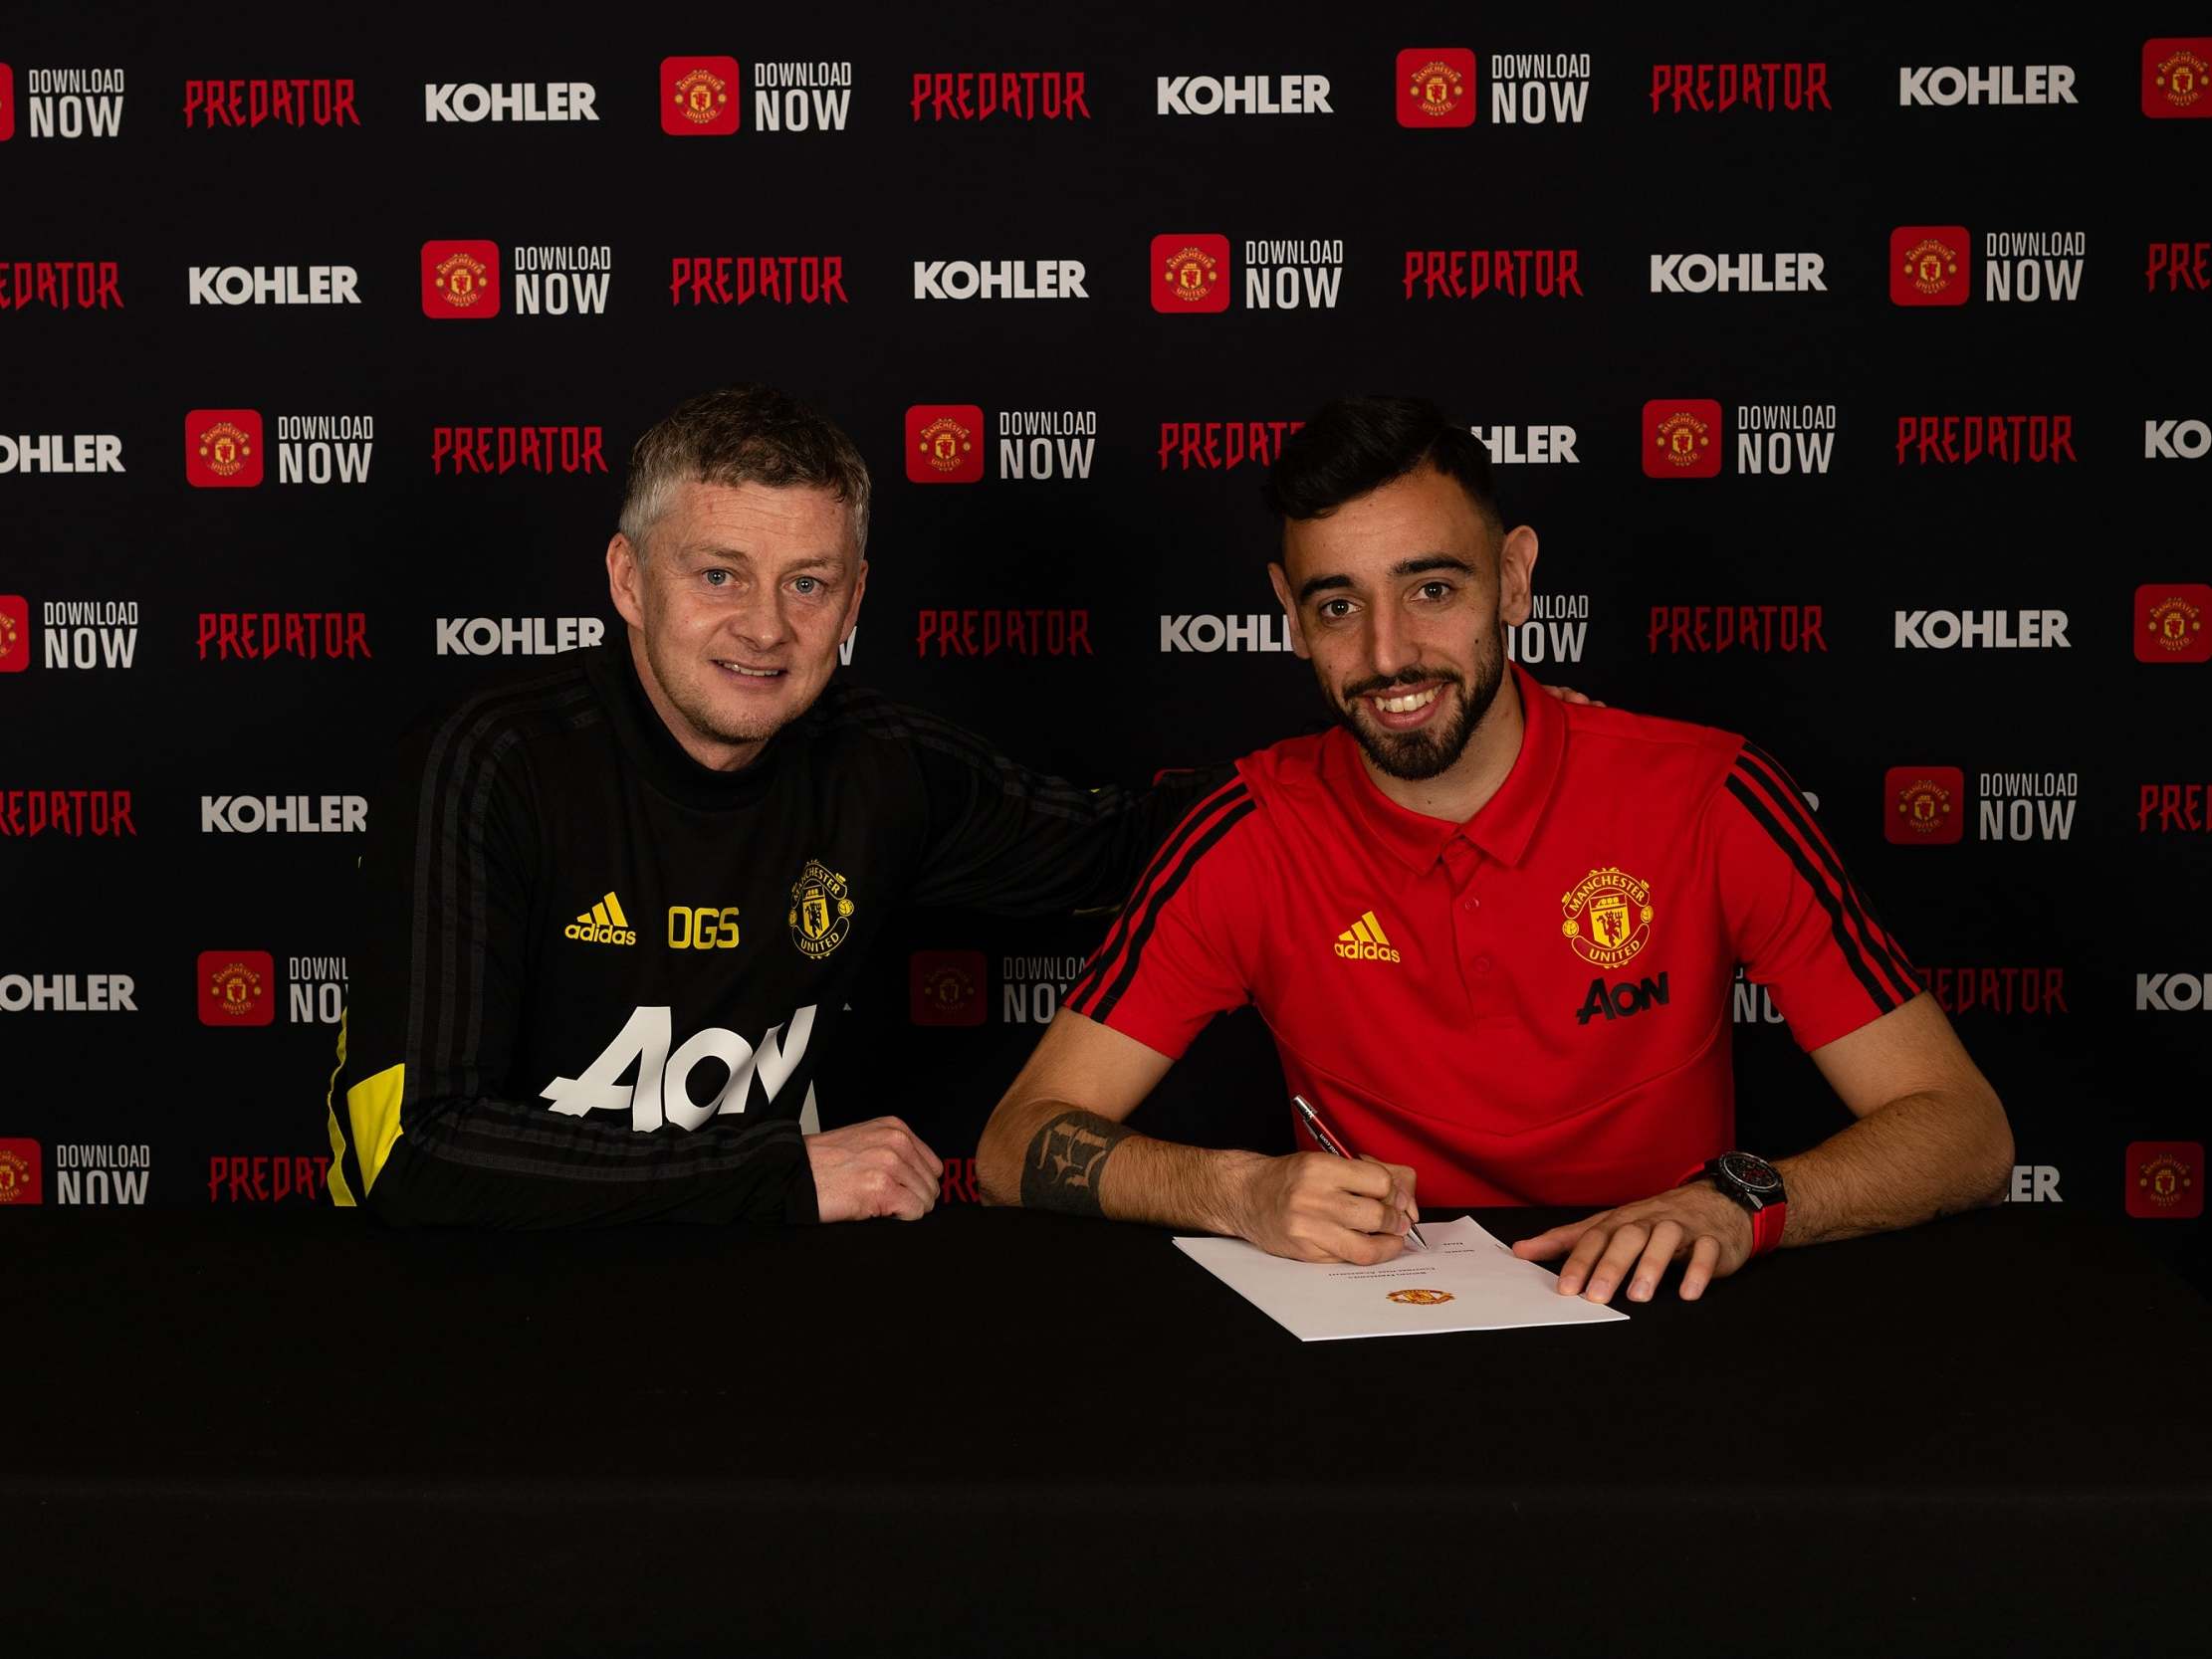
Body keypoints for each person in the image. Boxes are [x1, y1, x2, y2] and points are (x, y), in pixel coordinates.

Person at [977, 396, 2013, 1305]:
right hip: (1376, 1325)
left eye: (1431, 589)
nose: (1386, 654)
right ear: (1289, 617)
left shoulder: (1709, 793)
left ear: (1513, 580)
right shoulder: (1243, 831)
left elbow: (1964, 1128)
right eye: (1338, 605)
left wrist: (1742, 1201)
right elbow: (1014, 1143)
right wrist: (1234, 1190)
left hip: (1663, 1313)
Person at [323, 385, 1233, 1228]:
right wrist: (779, 1173)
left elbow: (1141, 843)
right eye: (719, 574)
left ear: (854, 601)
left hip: (732, 1295)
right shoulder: (490, 763)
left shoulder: (879, 764)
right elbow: (410, 1151)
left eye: (807, 583)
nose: (765, 627)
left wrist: (1363, 751)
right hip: (465, 1305)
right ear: (629, 580)